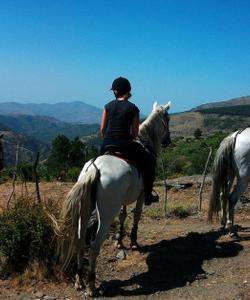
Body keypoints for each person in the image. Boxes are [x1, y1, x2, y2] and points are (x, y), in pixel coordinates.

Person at [100, 77, 159, 205]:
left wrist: (108, 137)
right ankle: (148, 195)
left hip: (106, 143)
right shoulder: (133, 108)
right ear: (128, 91)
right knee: (150, 160)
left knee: (97, 161)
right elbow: (135, 133)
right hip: (125, 144)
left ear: (115, 92)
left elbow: (102, 129)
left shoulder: (107, 107)